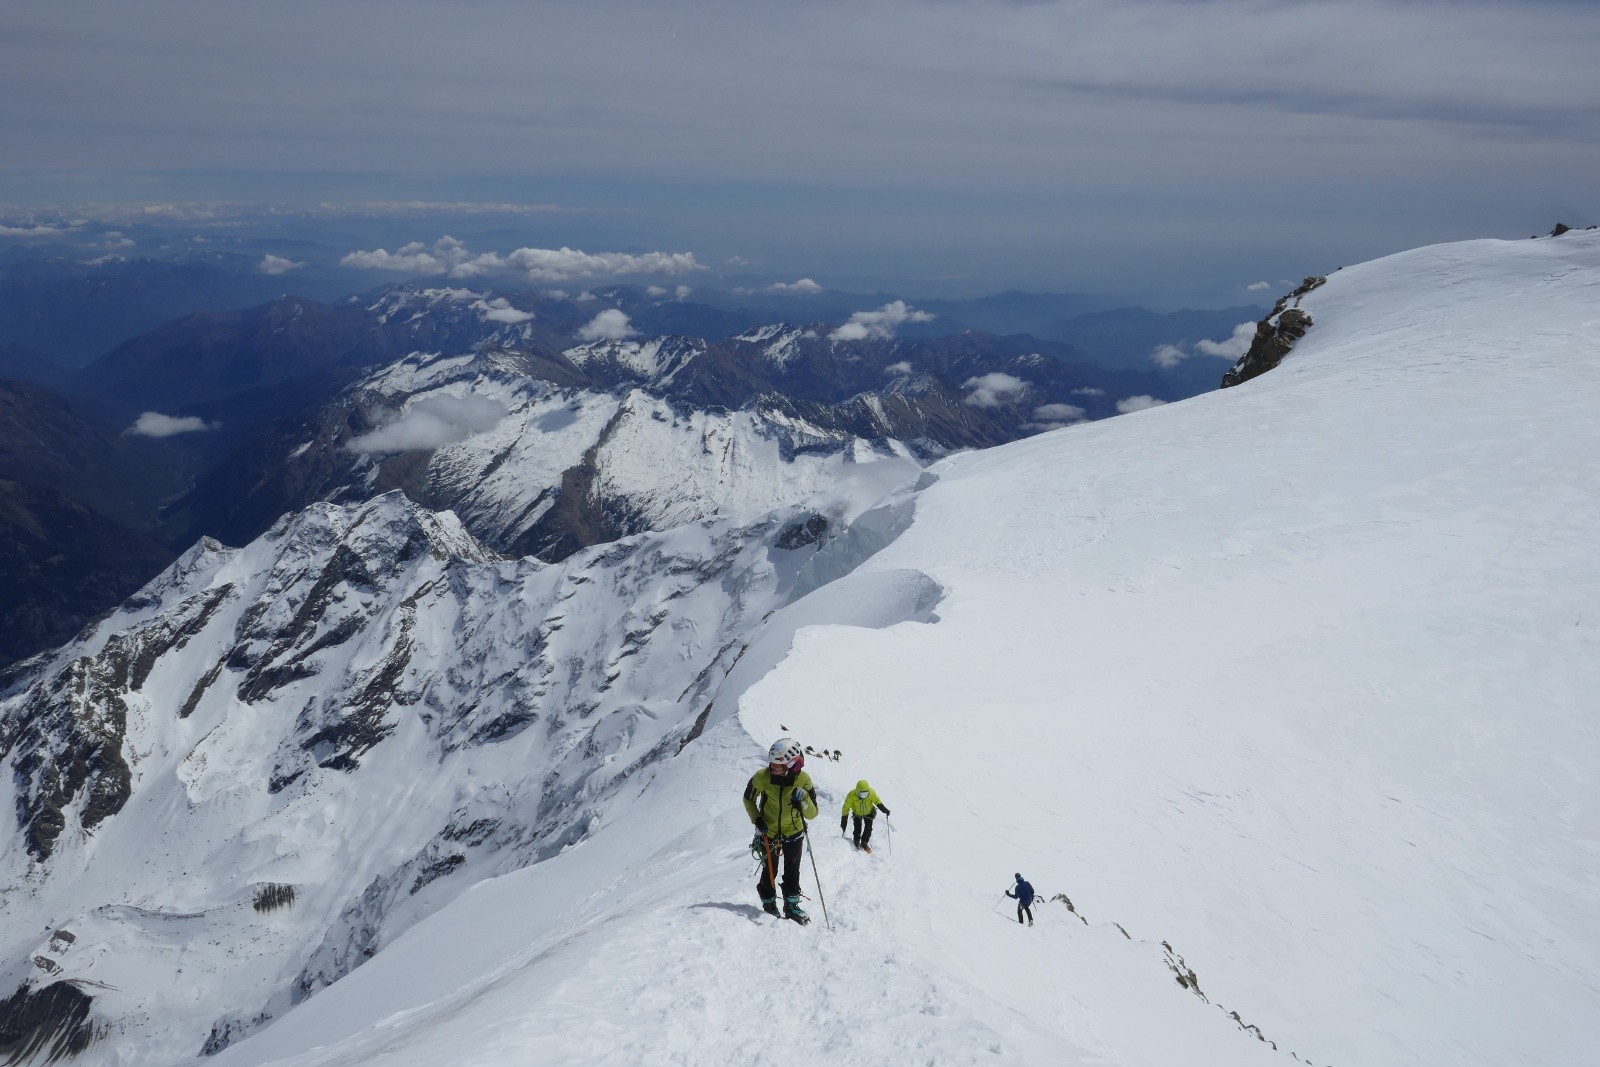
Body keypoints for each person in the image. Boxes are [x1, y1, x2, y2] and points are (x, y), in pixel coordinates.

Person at [744, 737, 820, 922]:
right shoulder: (762, 777)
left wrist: (804, 800)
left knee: (792, 870)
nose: (772, 767)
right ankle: (769, 902)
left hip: (794, 833)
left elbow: (813, 813)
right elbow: (748, 798)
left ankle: (791, 905)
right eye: (771, 763)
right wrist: (757, 819)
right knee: (770, 870)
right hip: (769, 832)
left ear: (791, 764)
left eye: (778, 764)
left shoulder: (803, 779)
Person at [839, 779, 891, 853]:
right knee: (857, 827)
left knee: (868, 828)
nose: (864, 796)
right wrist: (844, 820)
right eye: (861, 794)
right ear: (857, 792)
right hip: (857, 813)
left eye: (866, 794)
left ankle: (864, 842)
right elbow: (846, 808)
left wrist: (884, 809)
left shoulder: (871, 793)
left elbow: (877, 801)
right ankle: (856, 840)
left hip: (868, 813)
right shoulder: (851, 795)